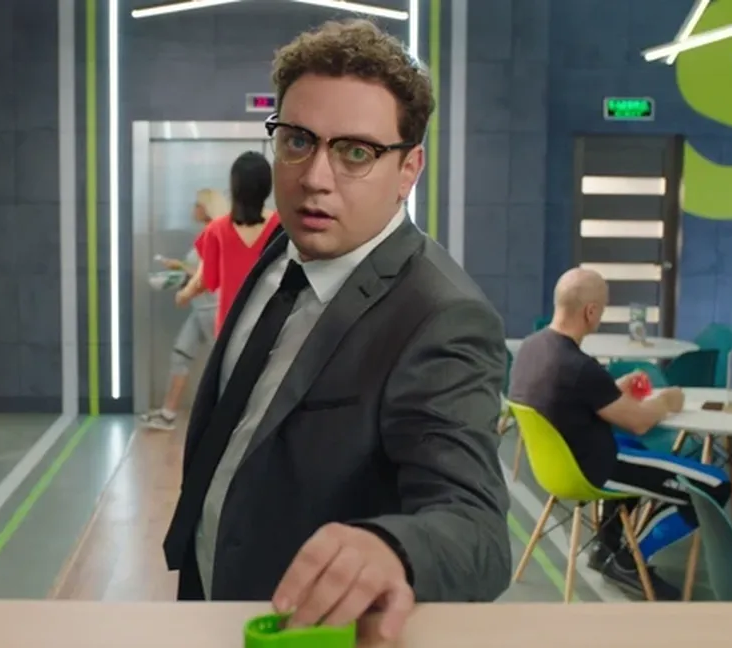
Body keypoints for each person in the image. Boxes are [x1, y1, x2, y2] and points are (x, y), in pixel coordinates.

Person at [161, 19, 510, 641]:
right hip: (209, 594)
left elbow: (476, 529)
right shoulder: (285, 245)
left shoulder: (441, 316)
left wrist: (395, 550)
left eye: (356, 153)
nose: (314, 177)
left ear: (409, 170)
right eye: (297, 140)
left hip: (307, 628)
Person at [508, 268, 732, 600]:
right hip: (595, 467)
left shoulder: (531, 347)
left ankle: (607, 544)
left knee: (638, 450)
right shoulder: (580, 366)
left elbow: (569, 398)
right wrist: (667, 400)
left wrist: (613, 389)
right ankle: (630, 559)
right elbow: (640, 421)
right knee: (714, 485)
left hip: (556, 466)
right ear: (590, 311)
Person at [141, 189, 228, 431]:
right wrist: (177, 270)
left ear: (206, 208)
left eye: (196, 204)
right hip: (200, 308)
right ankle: (167, 414)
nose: (193, 208)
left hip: (212, 309)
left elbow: (211, 275)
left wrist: (180, 269)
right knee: (181, 354)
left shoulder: (217, 234)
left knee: (224, 364)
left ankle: (232, 416)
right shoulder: (207, 234)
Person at [177, 151, 281, 335]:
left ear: (234, 187)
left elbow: (206, 279)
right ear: (267, 187)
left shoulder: (217, 230)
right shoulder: (284, 228)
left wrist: (184, 294)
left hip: (230, 332)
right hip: (272, 330)